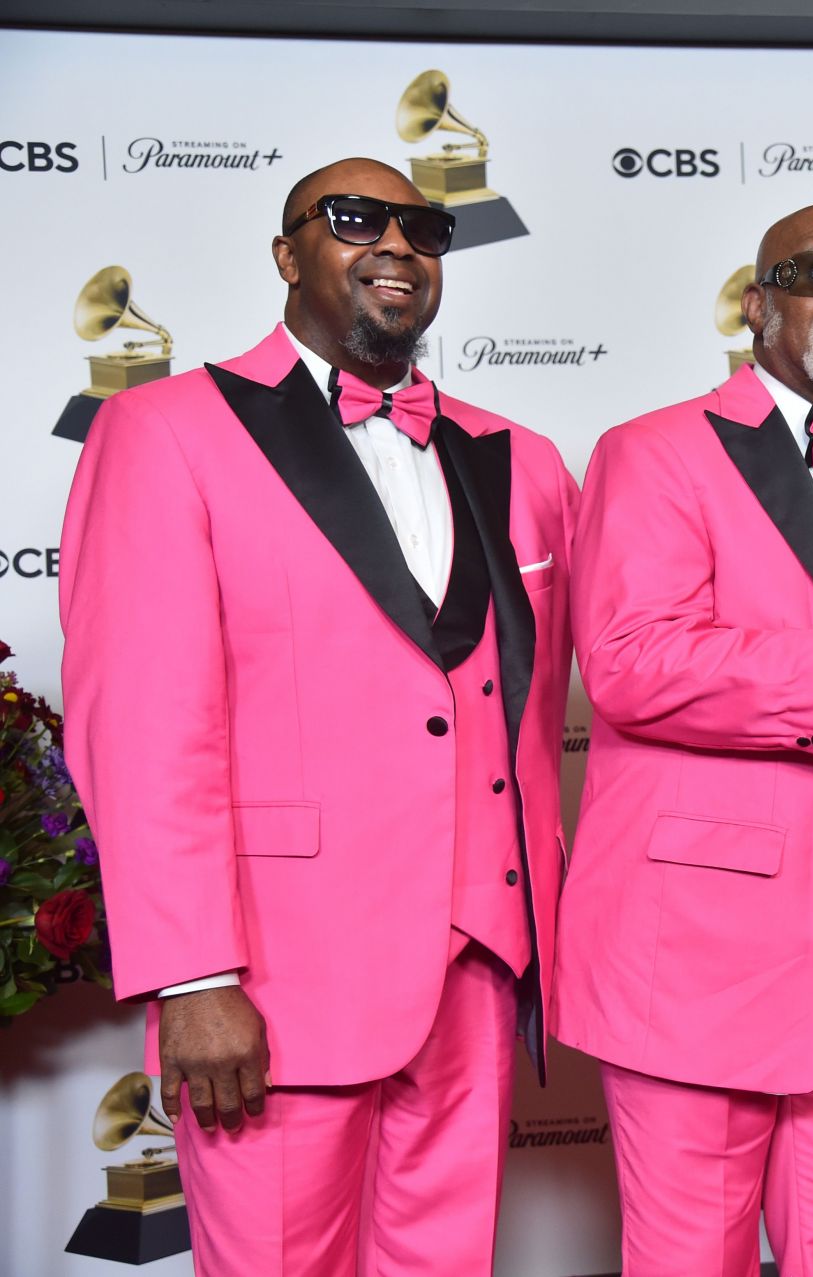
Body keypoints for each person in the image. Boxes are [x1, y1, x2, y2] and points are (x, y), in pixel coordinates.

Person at [59, 158, 577, 1275]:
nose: (397, 245)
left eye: (424, 228)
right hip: (275, 981)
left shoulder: (518, 456)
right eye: (355, 220)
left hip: (477, 970)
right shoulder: (166, 432)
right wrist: (194, 977)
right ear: (289, 254)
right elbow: (143, 728)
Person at [554, 202, 813, 1276]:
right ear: (756, 306)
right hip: (701, 953)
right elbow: (630, 662)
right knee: (693, 1257)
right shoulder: (654, 450)